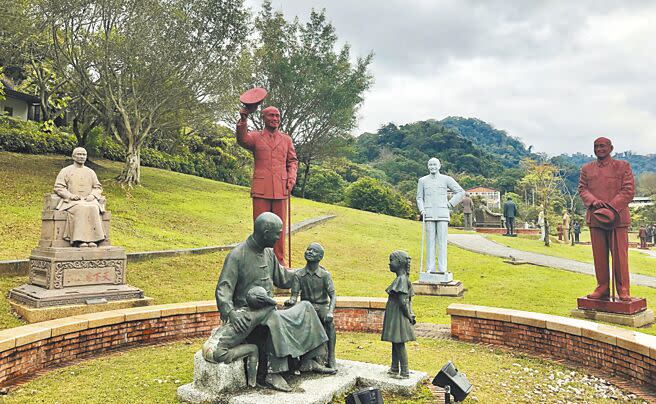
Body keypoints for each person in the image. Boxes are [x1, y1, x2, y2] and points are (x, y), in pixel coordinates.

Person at [215, 212, 334, 392]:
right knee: (275, 320)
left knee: (306, 307)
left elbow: (283, 277)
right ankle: (272, 372)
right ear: (266, 232)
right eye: (277, 233)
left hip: (270, 309)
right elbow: (223, 289)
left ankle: (309, 360)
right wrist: (231, 313)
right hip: (249, 314)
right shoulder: (237, 255)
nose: (279, 237)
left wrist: (308, 270)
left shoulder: (269, 253)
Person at [237, 105, 298, 265]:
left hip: (281, 188)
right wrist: (243, 120)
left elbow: (292, 161)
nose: (275, 119)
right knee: (260, 226)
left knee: (279, 228)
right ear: (263, 118)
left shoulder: (286, 139)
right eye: (271, 116)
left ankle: (279, 263)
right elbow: (242, 140)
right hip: (261, 189)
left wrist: (291, 177)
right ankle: (258, 262)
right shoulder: (255, 137)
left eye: (277, 116)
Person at [578, 137, 635, 301]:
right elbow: (582, 189)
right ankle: (602, 287)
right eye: (596, 146)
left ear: (611, 148)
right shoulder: (587, 169)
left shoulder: (622, 166)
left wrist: (611, 207)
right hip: (596, 217)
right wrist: (595, 202)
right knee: (599, 256)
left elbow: (628, 191)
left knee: (620, 256)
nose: (599, 149)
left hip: (617, 218)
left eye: (602, 146)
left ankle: (623, 289)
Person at [202, 286, 277, 388]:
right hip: (217, 353)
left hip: (206, 347)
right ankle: (252, 383)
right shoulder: (251, 318)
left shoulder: (238, 312)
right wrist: (267, 299)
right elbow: (272, 305)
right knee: (253, 348)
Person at [285, 242, 337, 369]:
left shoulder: (325, 275)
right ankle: (296, 357)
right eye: (308, 249)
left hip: (322, 306)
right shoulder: (299, 274)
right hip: (306, 307)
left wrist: (330, 312)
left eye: (313, 251)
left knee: (330, 324)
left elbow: (333, 296)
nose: (309, 252)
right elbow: (294, 295)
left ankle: (331, 356)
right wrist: (291, 301)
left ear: (320, 257)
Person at [416, 158, 465, 274]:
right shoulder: (422, 181)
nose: (433, 166)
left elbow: (461, 192)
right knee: (430, 242)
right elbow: (419, 197)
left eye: (435, 164)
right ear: (428, 166)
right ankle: (430, 268)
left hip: (442, 214)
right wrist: (422, 209)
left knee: (442, 242)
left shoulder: (446, 179)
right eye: (430, 164)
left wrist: (450, 203)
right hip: (428, 214)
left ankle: (443, 269)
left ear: (439, 166)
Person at [54, 147, 106, 247]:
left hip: (89, 200)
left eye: (84, 155)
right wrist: (70, 196)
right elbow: (58, 187)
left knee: (93, 208)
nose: (82, 157)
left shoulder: (90, 172)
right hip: (71, 202)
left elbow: (98, 187)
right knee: (81, 208)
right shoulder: (65, 171)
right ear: (73, 156)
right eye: (79, 154)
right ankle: (80, 240)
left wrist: (93, 195)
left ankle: (93, 240)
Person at [381, 250, 416, 379]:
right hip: (395, 316)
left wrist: (409, 315)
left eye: (391, 260)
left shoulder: (401, 280)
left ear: (400, 263)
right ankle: (394, 368)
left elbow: (403, 302)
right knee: (395, 343)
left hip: (398, 317)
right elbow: (408, 300)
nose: (389, 263)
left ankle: (405, 371)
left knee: (399, 344)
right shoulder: (402, 279)